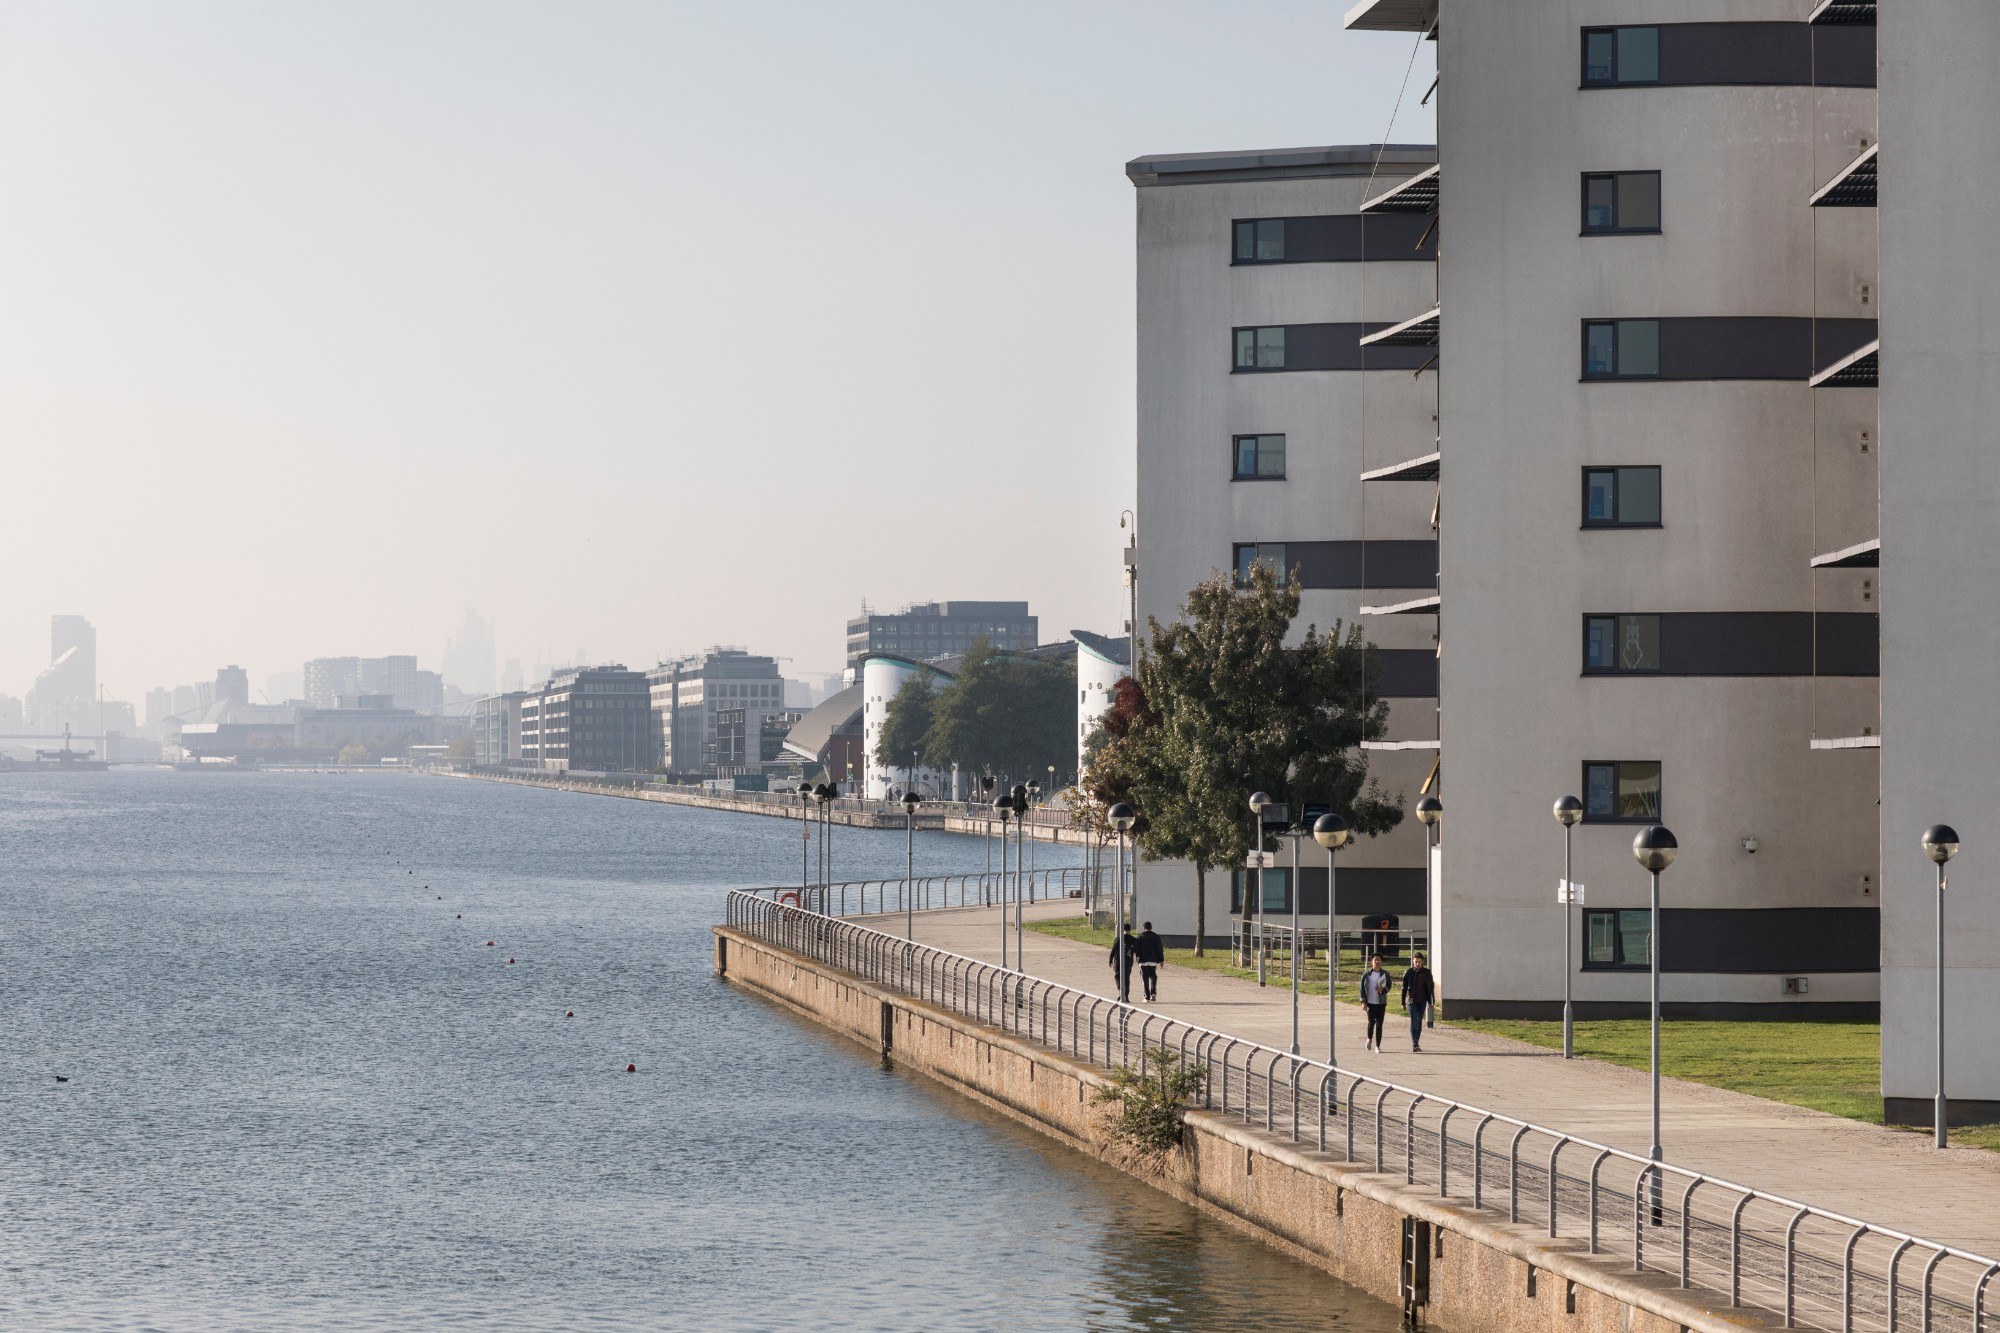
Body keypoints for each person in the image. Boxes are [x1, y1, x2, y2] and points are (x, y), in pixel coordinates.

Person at [1401, 951, 1436, 1053]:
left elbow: (1431, 988)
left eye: (1419, 962)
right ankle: (1415, 1043)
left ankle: (1417, 1041)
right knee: (1414, 1021)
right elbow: (1404, 988)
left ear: (1422, 962)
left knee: (1419, 1021)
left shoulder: (1427, 972)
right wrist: (1402, 1001)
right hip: (1412, 1001)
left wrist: (1431, 1001)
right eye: (1416, 962)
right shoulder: (1409, 972)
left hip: (1422, 1000)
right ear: (1413, 961)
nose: (1417, 964)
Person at [1360, 954, 1391, 1052]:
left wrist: (1383, 989)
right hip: (1370, 1003)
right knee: (1371, 1022)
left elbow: (1389, 986)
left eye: (1379, 960)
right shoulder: (1366, 974)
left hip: (1381, 1003)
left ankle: (1377, 1046)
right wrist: (1363, 1001)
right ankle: (1369, 1038)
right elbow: (1362, 989)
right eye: (1375, 960)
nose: (1377, 962)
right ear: (1372, 962)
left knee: (1379, 1024)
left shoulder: (1385, 974)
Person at [1135, 921, 1166, 1001]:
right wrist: (1161, 960)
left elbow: (1137, 949)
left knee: (1144, 978)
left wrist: (1137, 958)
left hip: (1143, 960)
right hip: (1153, 960)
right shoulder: (1156, 937)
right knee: (1153, 976)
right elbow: (1160, 949)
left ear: (1144, 927)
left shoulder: (1140, 936)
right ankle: (1153, 993)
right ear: (1151, 927)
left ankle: (1147, 996)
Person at [1109, 926, 1139, 1001]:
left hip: (1118, 961)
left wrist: (1110, 959)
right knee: (1126, 978)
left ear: (1123, 930)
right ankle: (1126, 995)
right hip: (1128, 962)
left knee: (1117, 976)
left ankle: (1121, 992)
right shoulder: (1133, 939)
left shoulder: (1119, 938)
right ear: (1130, 930)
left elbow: (1114, 949)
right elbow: (1136, 951)